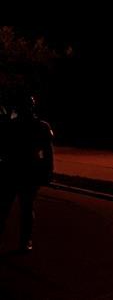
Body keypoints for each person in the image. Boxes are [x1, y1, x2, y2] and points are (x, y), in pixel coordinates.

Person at [0, 95, 54, 252]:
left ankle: (25, 240)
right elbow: (48, 153)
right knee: (22, 207)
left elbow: (48, 152)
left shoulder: (14, 125)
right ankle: (25, 240)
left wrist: (48, 170)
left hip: (18, 170)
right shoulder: (39, 126)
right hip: (22, 170)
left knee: (13, 207)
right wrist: (48, 171)